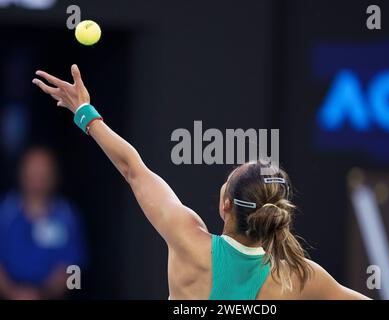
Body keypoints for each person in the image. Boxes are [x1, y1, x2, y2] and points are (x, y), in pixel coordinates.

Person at [32, 65, 368, 300]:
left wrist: (85, 112)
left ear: (225, 205)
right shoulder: (299, 277)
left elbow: (131, 168)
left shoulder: (187, 238)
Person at [0, 147, 86, 300]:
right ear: (21, 172)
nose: (38, 175)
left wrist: (43, 294)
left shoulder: (68, 215)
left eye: (44, 169)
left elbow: (75, 272)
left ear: (55, 175)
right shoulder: (5, 211)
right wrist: (13, 293)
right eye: (33, 168)